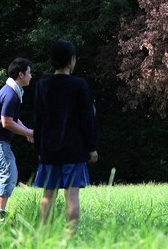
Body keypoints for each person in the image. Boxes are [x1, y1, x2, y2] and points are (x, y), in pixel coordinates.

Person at [32, 39, 98, 228]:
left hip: (49, 149)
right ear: (71, 60)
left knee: (47, 194)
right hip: (74, 149)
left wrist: (39, 147)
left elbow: (38, 120)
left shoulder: (42, 85)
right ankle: (70, 236)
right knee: (72, 195)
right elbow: (87, 118)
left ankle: (45, 233)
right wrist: (91, 147)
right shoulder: (79, 85)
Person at [0, 57, 34, 224]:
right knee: (9, 175)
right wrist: (29, 132)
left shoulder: (13, 91)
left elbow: (12, 118)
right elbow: (6, 122)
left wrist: (27, 131)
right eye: (29, 72)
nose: (31, 76)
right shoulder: (11, 94)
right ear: (21, 74)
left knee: (10, 174)